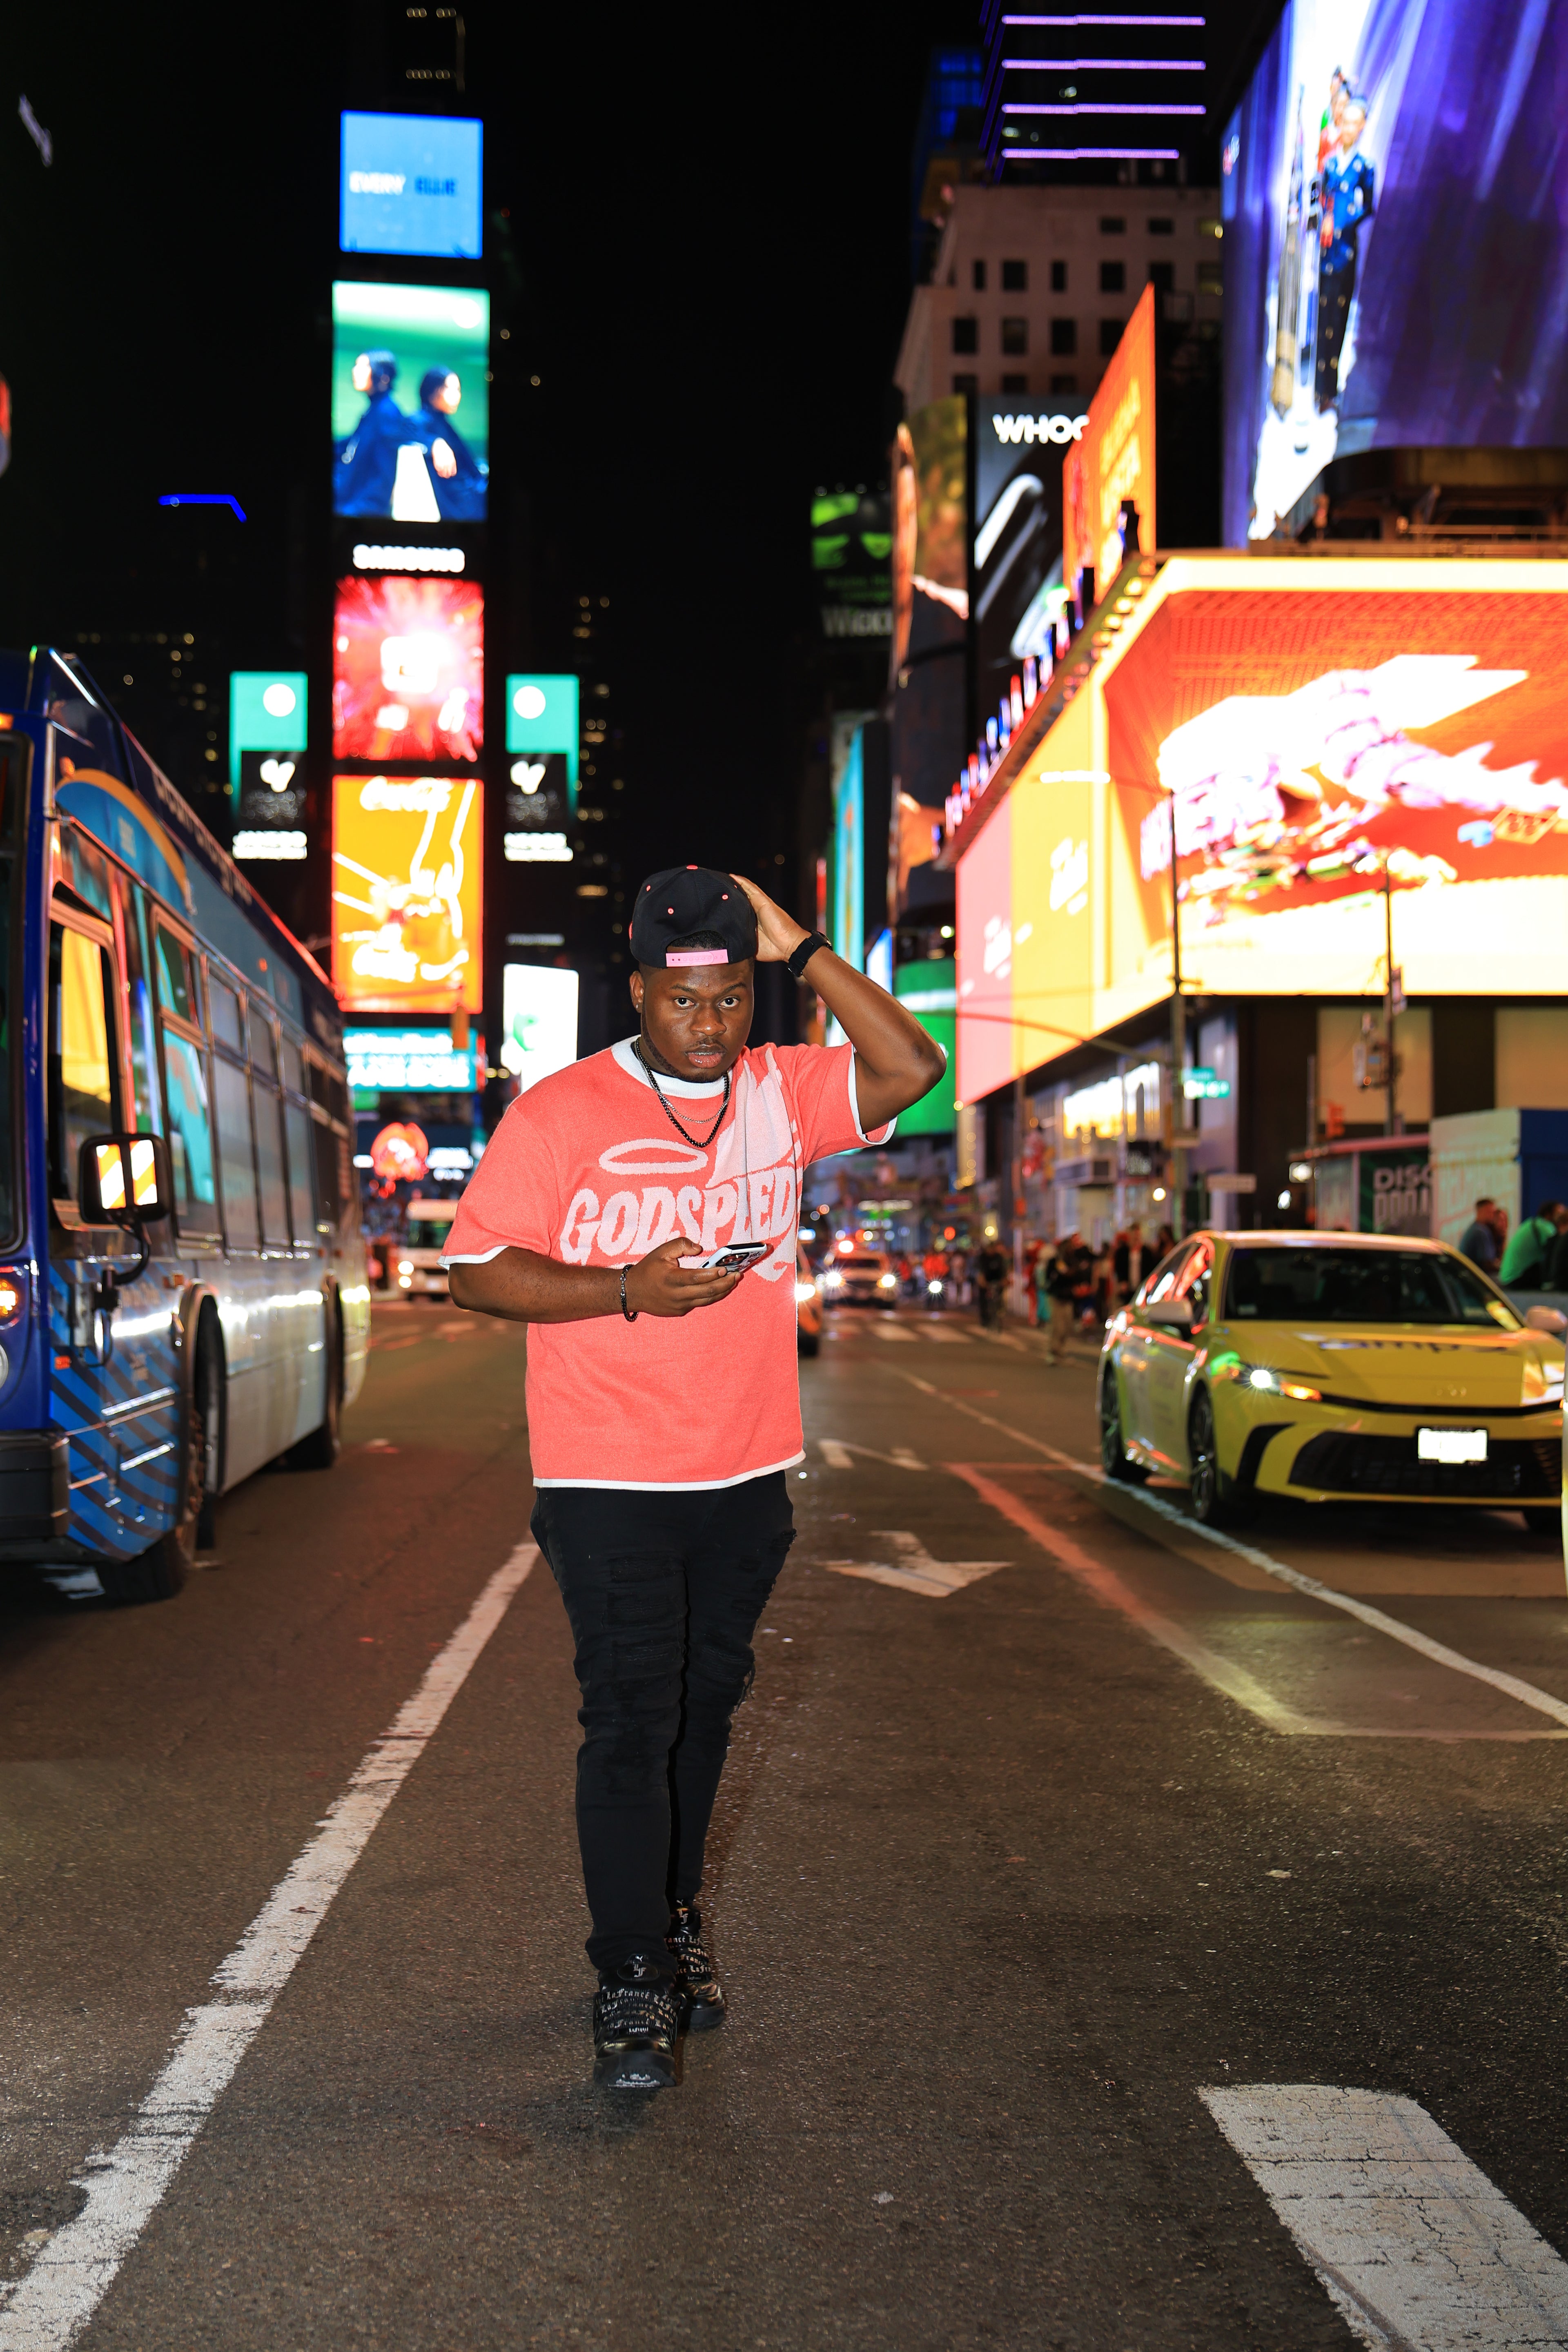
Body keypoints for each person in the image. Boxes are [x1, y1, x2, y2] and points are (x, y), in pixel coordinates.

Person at [443, 866, 944, 2093]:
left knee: (705, 1713)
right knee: (630, 1719)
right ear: (637, 993)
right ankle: (626, 1974)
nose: (710, 1027)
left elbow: (912, 1067)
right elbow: (474, 1271)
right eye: (683, 1003)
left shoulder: (781, 1088)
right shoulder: (560, 1110)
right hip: (605, 1470)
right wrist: (621, 1289)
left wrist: (809, 949)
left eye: (730, 999)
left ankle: (672, 1923)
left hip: (744, 1471)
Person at [334, 349, 408, 517]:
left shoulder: (387, 413)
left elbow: (383, 480)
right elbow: (351, 447)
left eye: (364, 366)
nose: (355, 370)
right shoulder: (375, 411)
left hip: (354, 510)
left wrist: (350, 513)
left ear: (384, 377)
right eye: (356, 365)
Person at [413, 365, 488, 523]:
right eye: (450, 389)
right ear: (434, 390)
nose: (457, 396)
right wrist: (434, 443)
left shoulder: (443, 422)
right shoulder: (421, 420)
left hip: (469, 497)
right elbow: (400, 431)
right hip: (460, 508)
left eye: (459, 390)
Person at [1498, 1200, 1565, 1289]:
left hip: (1507, 1278)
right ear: (1549, 1215)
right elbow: (1560, 1248)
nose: (1562, 1217)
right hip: (1517, 1279)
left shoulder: (1532, 1223)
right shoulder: (1544, 1227)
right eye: (1559, 1213)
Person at [1043, 1233, 1081, 1363]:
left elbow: (1076, 1276)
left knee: (1068, 1326)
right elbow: (1049, 1278)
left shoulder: (1073, 1261)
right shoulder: (1054, 1262)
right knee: (1057, 1326)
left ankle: (1060, 1349)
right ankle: (1053, 1351)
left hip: (1068, 1297)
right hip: (1057, 1297)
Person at [1458, 1197, 1500, 1275]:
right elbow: (1487, 1264)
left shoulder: (1475, 1229)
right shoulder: (1480, 1232)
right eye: (1490, 1212)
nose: (1493, 1216)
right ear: (1482, 1211)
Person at [976, 1235, 1009, 1326]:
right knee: (984, 1300)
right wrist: (982, 1280)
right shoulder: (982, 1257)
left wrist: (1005, 1280)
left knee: (999, 1297)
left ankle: (999, 1312)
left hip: (997, 1281)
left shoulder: (999, 1257)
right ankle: (985, 1320)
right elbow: (980, 1270)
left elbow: (1003, 1270)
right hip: (985, 1282)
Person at [1114, 1221, 1149, 1305]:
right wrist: (1122, 1282)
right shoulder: (1122, 1252)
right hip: (1127, 1289)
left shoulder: (1146, 1252)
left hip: (1142, 1288)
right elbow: (1119, 1269)